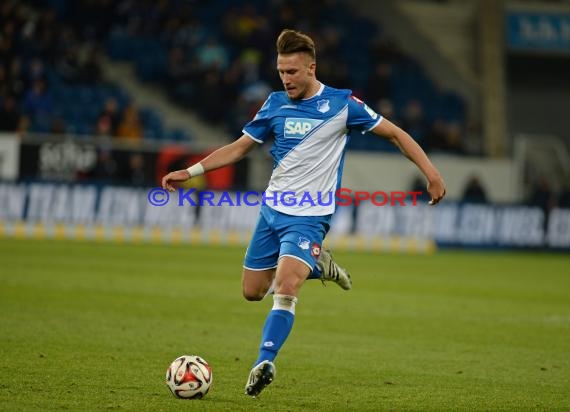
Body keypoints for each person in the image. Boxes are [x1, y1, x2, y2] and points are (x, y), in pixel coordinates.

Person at [161, 29, 446, 397]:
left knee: (286, 286)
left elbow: (395, 134)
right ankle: (319, 264)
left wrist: (432, 172)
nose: (286, 79)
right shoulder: (274, 104)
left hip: (311, 216)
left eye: (292, 72)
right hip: (272, 211)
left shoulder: (343, 105)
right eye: (281, 71)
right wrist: (192, 171)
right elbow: (239, 147)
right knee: (252, 291)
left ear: (311, 68)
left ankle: (264, 361)